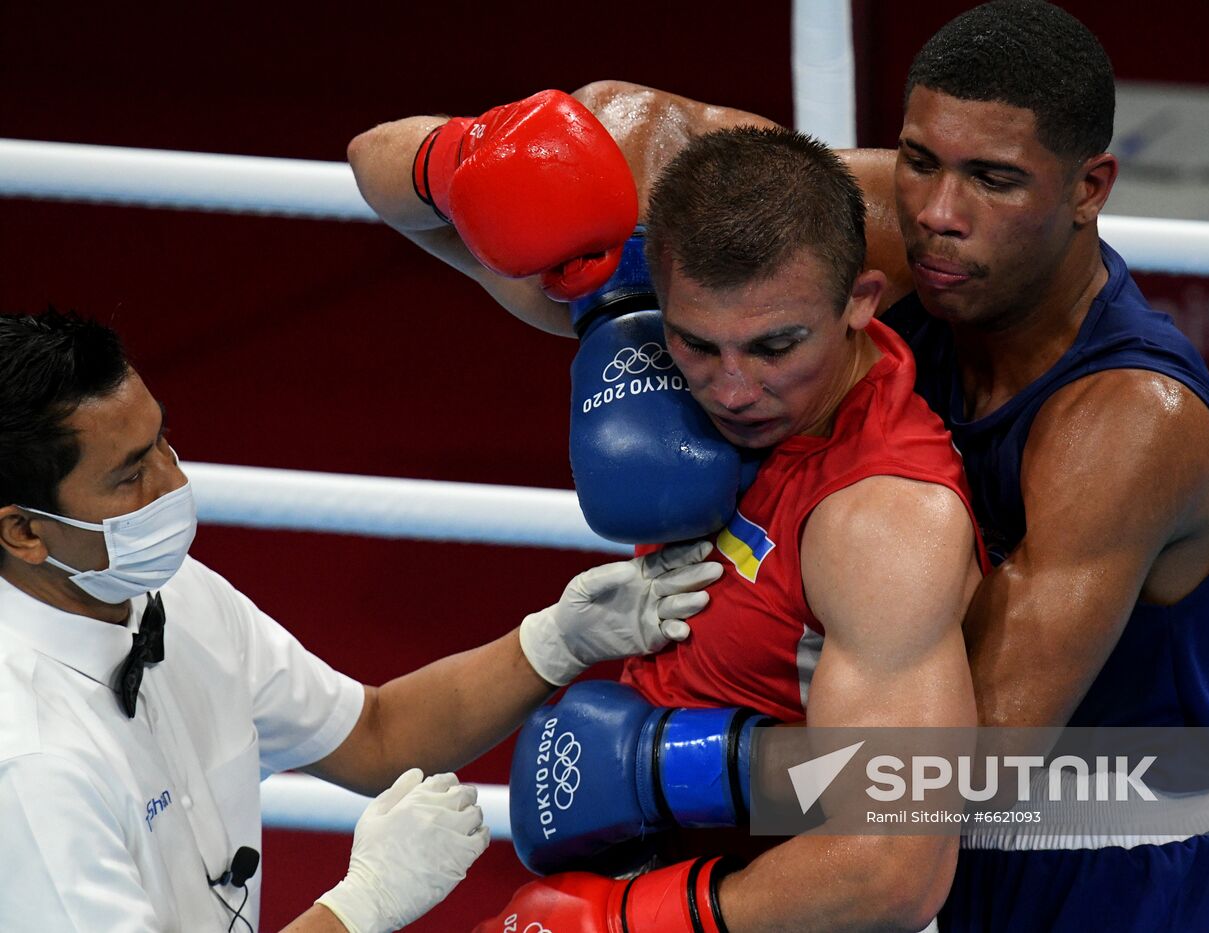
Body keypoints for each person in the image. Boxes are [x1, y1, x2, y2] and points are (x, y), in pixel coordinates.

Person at [348, 3, 1209, 926]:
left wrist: (670, 761)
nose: (941, 213)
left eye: (995, 178)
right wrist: (485, 163)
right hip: (894, 853)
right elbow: (618, 126)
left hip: (1114, 860)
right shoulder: (864, 242)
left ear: (1089, 186)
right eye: (919, 160)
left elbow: (952, 775)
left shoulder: (1124, 422)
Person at [356, 117, 988, 929]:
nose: (731, 388)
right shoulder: (645, 337)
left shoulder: (882, 520)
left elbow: (892, 866)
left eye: (775, 346)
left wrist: (630, 919)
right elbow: (374, 167)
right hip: (647, 859)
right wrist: (474, 157)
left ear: (860, 302)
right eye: (698, 345)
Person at [0, 309, 723, 932]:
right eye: (130, 475)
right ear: (23, 532)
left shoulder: (170, 596)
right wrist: (360, 905)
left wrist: (556, 641)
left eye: (162, 439)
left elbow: (376, 734)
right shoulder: (31, 764)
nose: (174, 482)